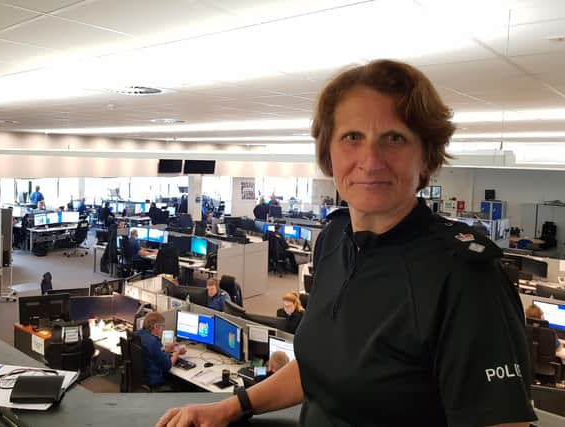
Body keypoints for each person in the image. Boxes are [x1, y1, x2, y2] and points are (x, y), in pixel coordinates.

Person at [157, 60, 536, 427]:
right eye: (352, 137)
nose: (371, 161)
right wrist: (231, 407)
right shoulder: (334, 239)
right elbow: (319, 367)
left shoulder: (467, 278)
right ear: (328, 154)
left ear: (426, 158)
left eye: (395, 138)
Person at [134, 312, 186, 391]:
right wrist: (177, 351)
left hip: (140, 378)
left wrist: (165, 350)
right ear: (156, 326)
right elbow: (167, 366)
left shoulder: (137, 334)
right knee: (182, 384)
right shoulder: (154, 342)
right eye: (163, 326)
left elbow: (150, 352)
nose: (163, 330)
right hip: (154, 381)